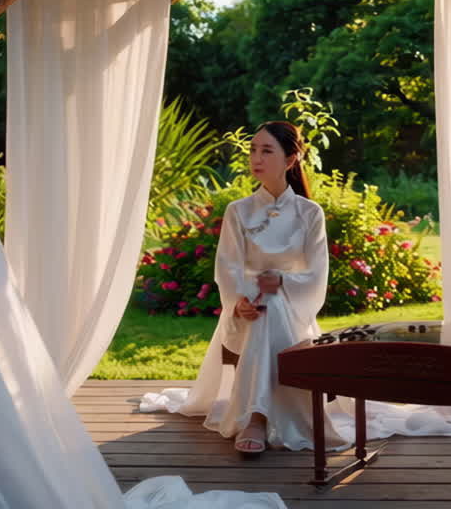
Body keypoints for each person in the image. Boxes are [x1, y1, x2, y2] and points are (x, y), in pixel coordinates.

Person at [141, 121, 348, 454]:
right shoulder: (237, 211)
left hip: (293, 312)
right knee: (266, 309)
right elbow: (228, 267)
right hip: (245, 311)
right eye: (253, 149)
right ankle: (257, 415)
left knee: (275, 305)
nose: (256, 157)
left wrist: (279, 282)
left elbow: (316, 274)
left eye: (267, 150)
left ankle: (256, 417)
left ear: (291, 158)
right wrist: (240, 301)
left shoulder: (310, 213)